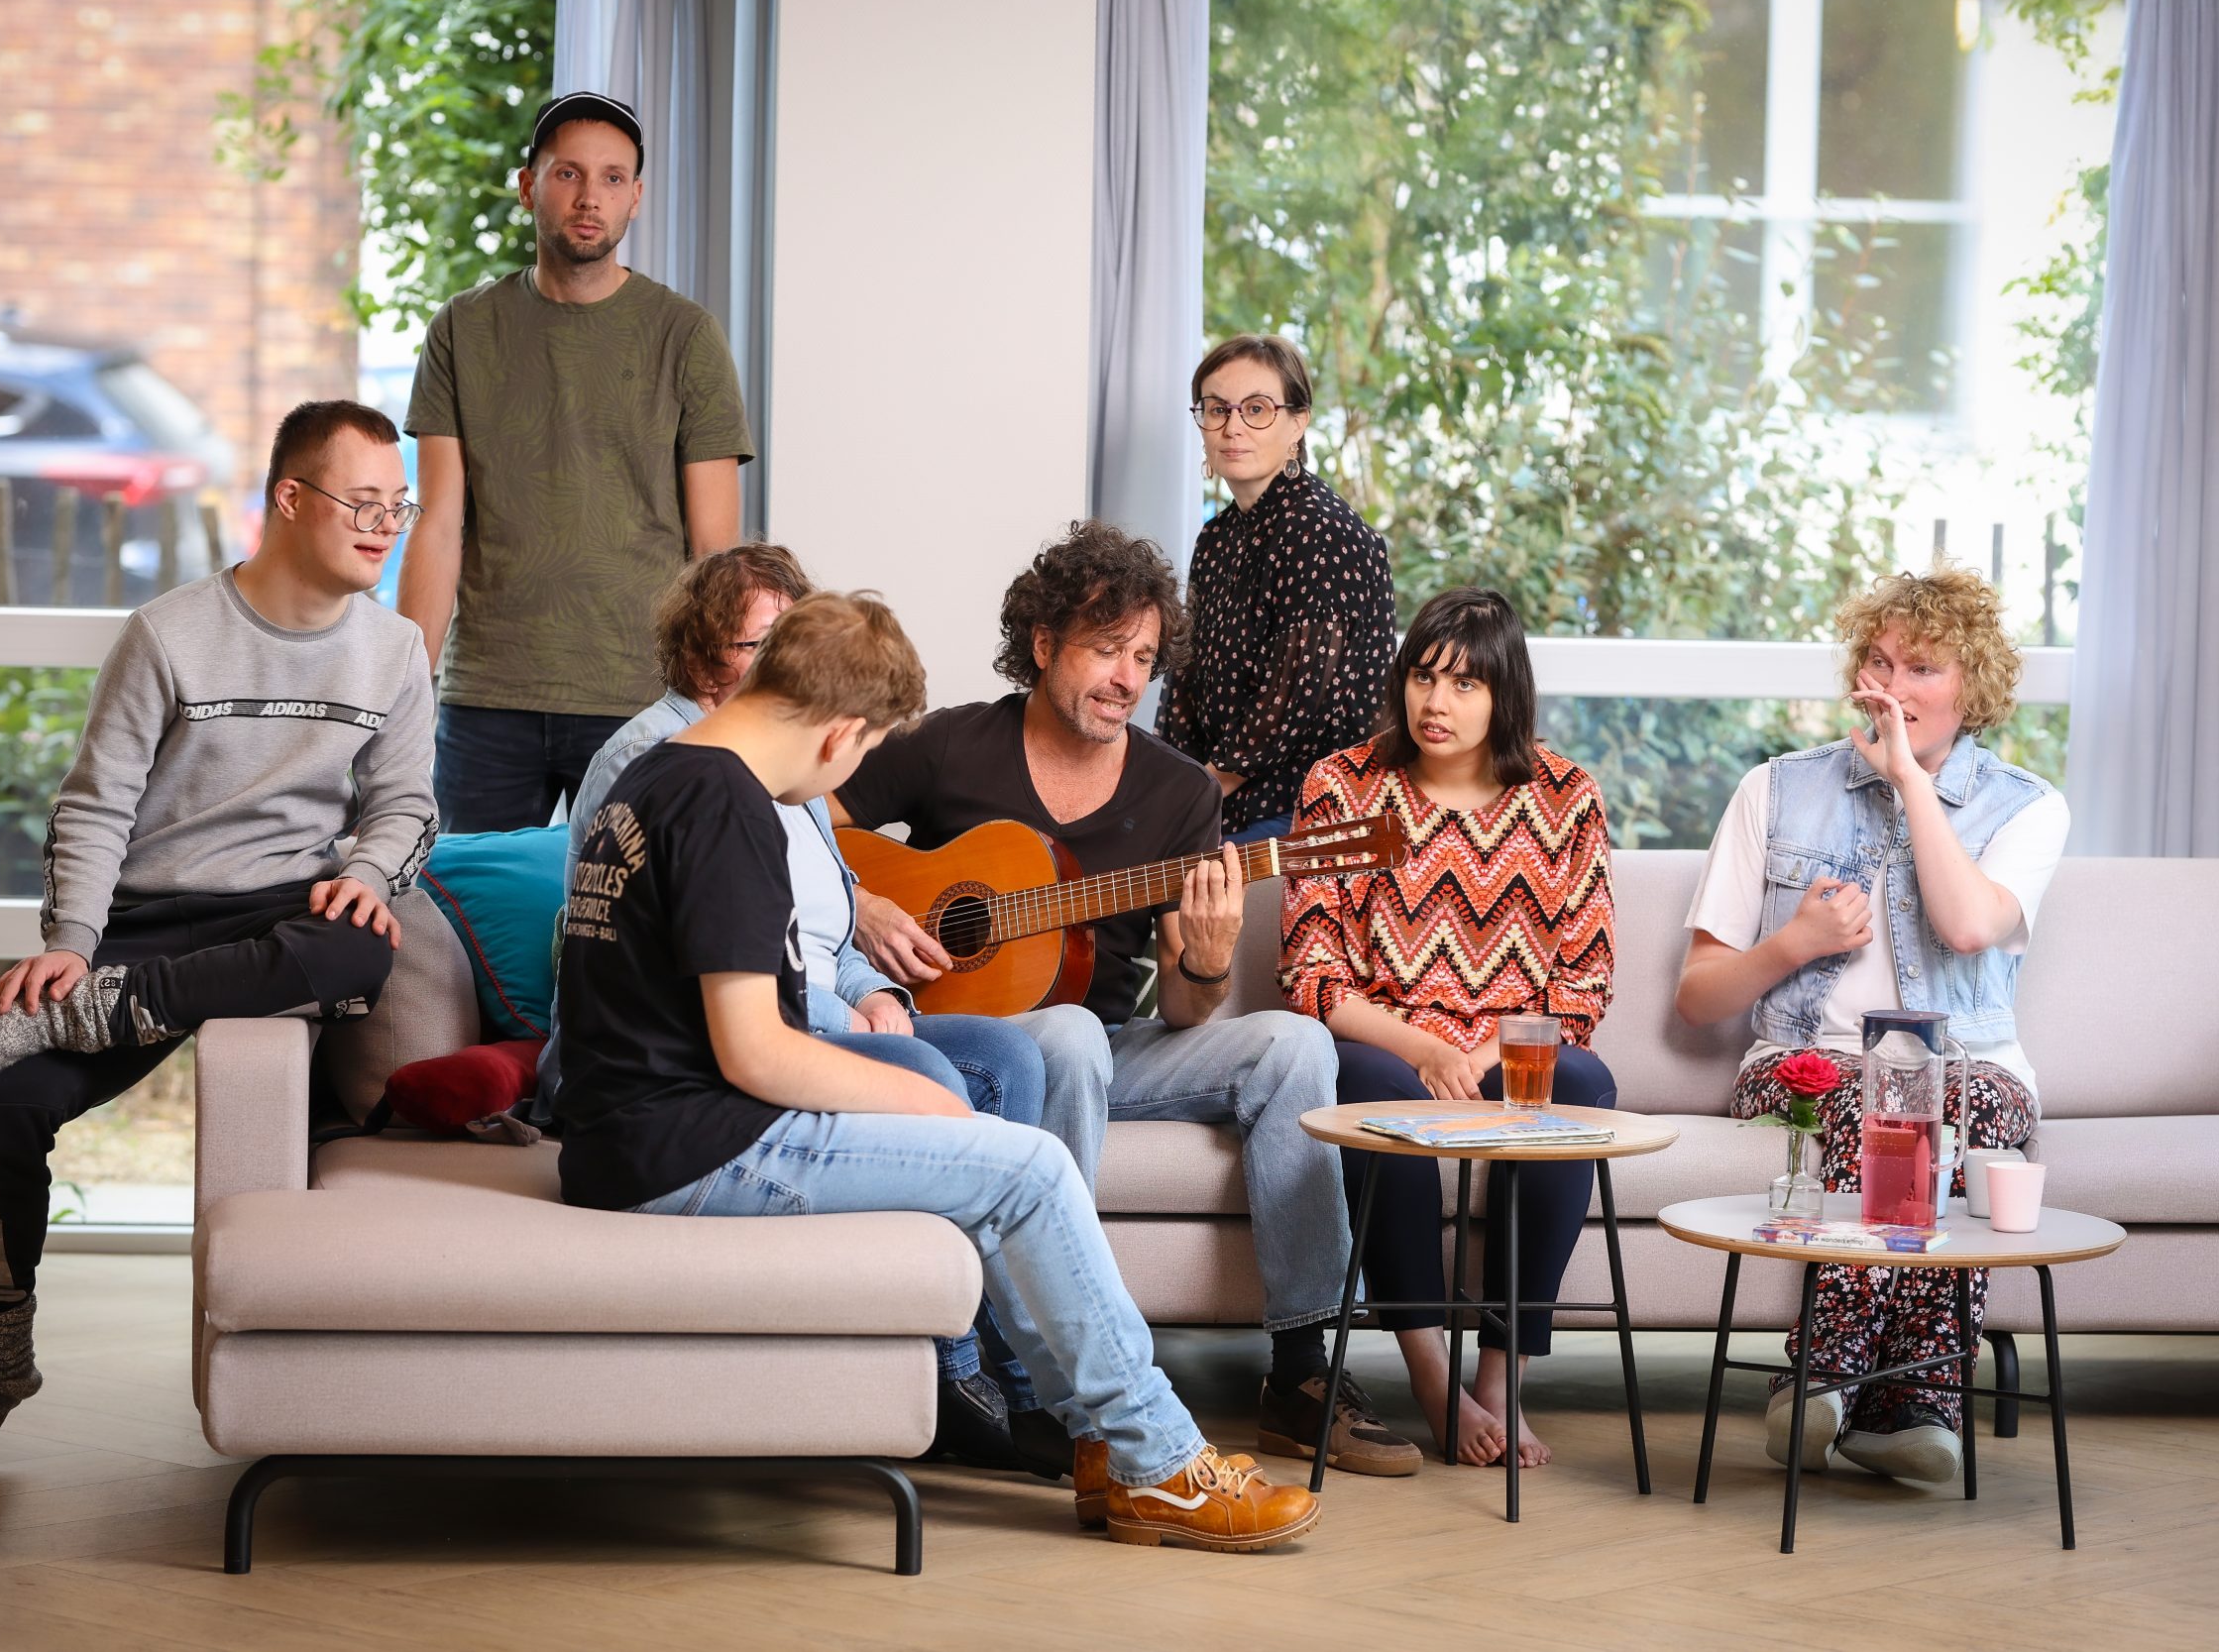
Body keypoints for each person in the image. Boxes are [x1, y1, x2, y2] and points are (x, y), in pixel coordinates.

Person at [552, 592, 1321, 1553]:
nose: (854, 776)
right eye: (867, 750)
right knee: (1029, 1167)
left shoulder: (661, 775)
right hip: (689, 1147)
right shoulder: (730, 810)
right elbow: (754, 1049)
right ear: (839, 732)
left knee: (1004, 1164)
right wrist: (922, 1100)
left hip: (636, 1132)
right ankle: (1161, 1462)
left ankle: (1109, 1446)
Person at [0, 400, 438, 1481]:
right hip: (149, 922)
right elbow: (95, 805)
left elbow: (405, 806)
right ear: (288, 500)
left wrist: (368, 875)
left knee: (362, 947)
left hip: (284, 914)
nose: (385, 527)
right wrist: (72, 941)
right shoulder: (168, 633)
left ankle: (99, 1011)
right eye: (363, 503)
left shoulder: (394, 651)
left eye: (400, 506)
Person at [835, 522, 1424, 1479]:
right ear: (1042, 644)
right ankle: (1052, 1377)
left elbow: (1190, 1014)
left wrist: (1208, 957)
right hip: (963, 1038)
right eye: (1106, 649)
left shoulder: (1180, 791)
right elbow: (807, 818)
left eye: (1144, 658)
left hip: (1115, 1043)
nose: (1126, 678)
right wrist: (861, 902)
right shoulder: (950, 745)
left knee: (1289, 1045)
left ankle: (1302, 1368)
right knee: (1060, 1034)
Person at [534, 543, 1072, 1476]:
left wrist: (872, 991)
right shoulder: (704, 784)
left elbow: (808, 925)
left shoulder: (723, 772)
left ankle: (1034, 1393)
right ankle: (1009, 1396)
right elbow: (746, 1035)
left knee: (1013, 1068)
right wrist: (927, 1107)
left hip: (676, 1100)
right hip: (693, 1119)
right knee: (990, 1132)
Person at [1674, 565, 2066, 1486]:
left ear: (1973, 685)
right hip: (1803, 1065)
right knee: (1879, 1095)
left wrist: (1910, 783)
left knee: (1956, 1101)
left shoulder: (2029, 807)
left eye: (1922, 667)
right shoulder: (1775, 789)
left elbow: (1969, 925)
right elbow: (1697, 998)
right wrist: (1795, 942)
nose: (1892, 687)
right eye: (1879, 662)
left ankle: (1857, 1391)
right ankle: (1897, 1394)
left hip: (1968, 1066)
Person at [1281, 588, 1617, 1470]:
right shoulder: (1343, 784)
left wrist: (1481, 1052)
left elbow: (1582, 979)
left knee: (1580, 1084)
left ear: (1506, 694)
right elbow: (1311, 970)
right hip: (1387, 1044)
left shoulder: (1565, 796)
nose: (1436, 702)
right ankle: (1430, 1371)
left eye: (1465, 684)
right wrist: (1422, 1047)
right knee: (1368, 1088)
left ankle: (1500, 1379)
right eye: (1423, 677)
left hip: (1510, 1052)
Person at [399, 90, 756, 831]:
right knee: (468, 921)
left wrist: (722, 688)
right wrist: (404, 682)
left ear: (636, 198)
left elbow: (714, 549)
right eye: (568, 174)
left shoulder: (686, 336)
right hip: (488, 695)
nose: (590, 197)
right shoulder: (463, 330)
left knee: (634, 930)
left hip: (641, 692)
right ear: (529, 186)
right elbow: (437, 526)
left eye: (613, 178)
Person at [1159, 334, 1396, 844]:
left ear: (1298, 422)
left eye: (1257, 409)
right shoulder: (1218, 536)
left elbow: (1295, 703)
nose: (1232, 427)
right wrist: (1168, 782)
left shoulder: (1320, 530)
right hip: (1218, 796)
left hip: (1308, 808)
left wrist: (1198, 789)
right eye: (1216, 408)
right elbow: (1184, 676)